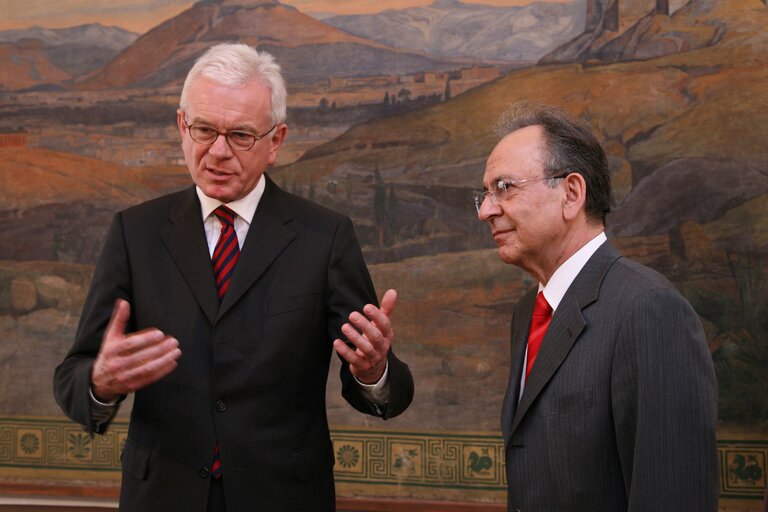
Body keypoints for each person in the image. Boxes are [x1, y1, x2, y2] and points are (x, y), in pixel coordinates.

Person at [53, 43, 413, 512]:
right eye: (204, 129)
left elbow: (387, 392)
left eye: (241, 135)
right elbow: (73, 378)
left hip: (283, 496)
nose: (218, 152)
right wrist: (100, 382)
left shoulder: (324, 237)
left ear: (276, 140)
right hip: (162, 496)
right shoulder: (135, 232)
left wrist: (373, 371)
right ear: (182, 125)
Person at [475, 101, 718, 511]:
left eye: (504, 188)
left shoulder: (649, 309)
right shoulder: (528, 313)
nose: (486, 210)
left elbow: (674, 493)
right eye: (484, 194)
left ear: (571, 193)